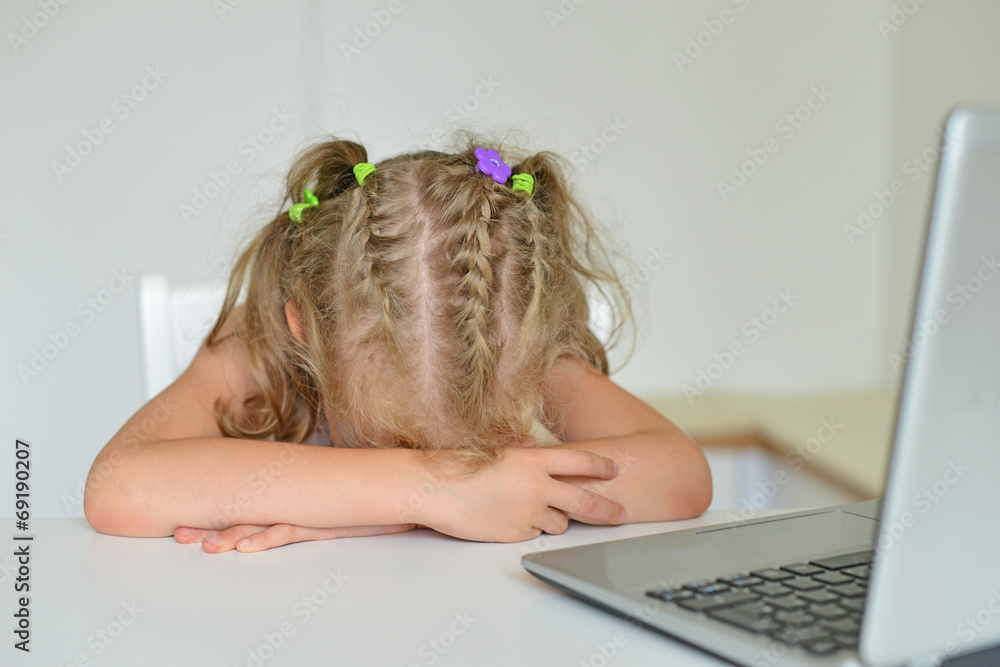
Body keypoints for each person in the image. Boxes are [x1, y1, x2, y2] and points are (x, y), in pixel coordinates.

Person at [83, 136, 711, 553]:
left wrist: (373, 508)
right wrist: (425, 494)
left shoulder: (506, 335)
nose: (447, 466)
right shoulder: (259, 349)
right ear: (304, 331)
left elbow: (681, 475)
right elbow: (118, 486)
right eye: (393, 446)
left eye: (473, 452)